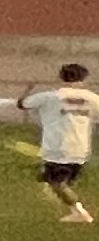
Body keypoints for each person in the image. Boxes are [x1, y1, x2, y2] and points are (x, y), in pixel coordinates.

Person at [16, 63, 96, 223]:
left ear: (61, 77)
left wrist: (28, 89)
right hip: (81, 147)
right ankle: (75, 209)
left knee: (57, 182)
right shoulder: (92, 98)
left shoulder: (50, 97)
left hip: (57, 147)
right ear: (83, 78)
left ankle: (79, 212)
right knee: (60, 180)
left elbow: (22, 104)